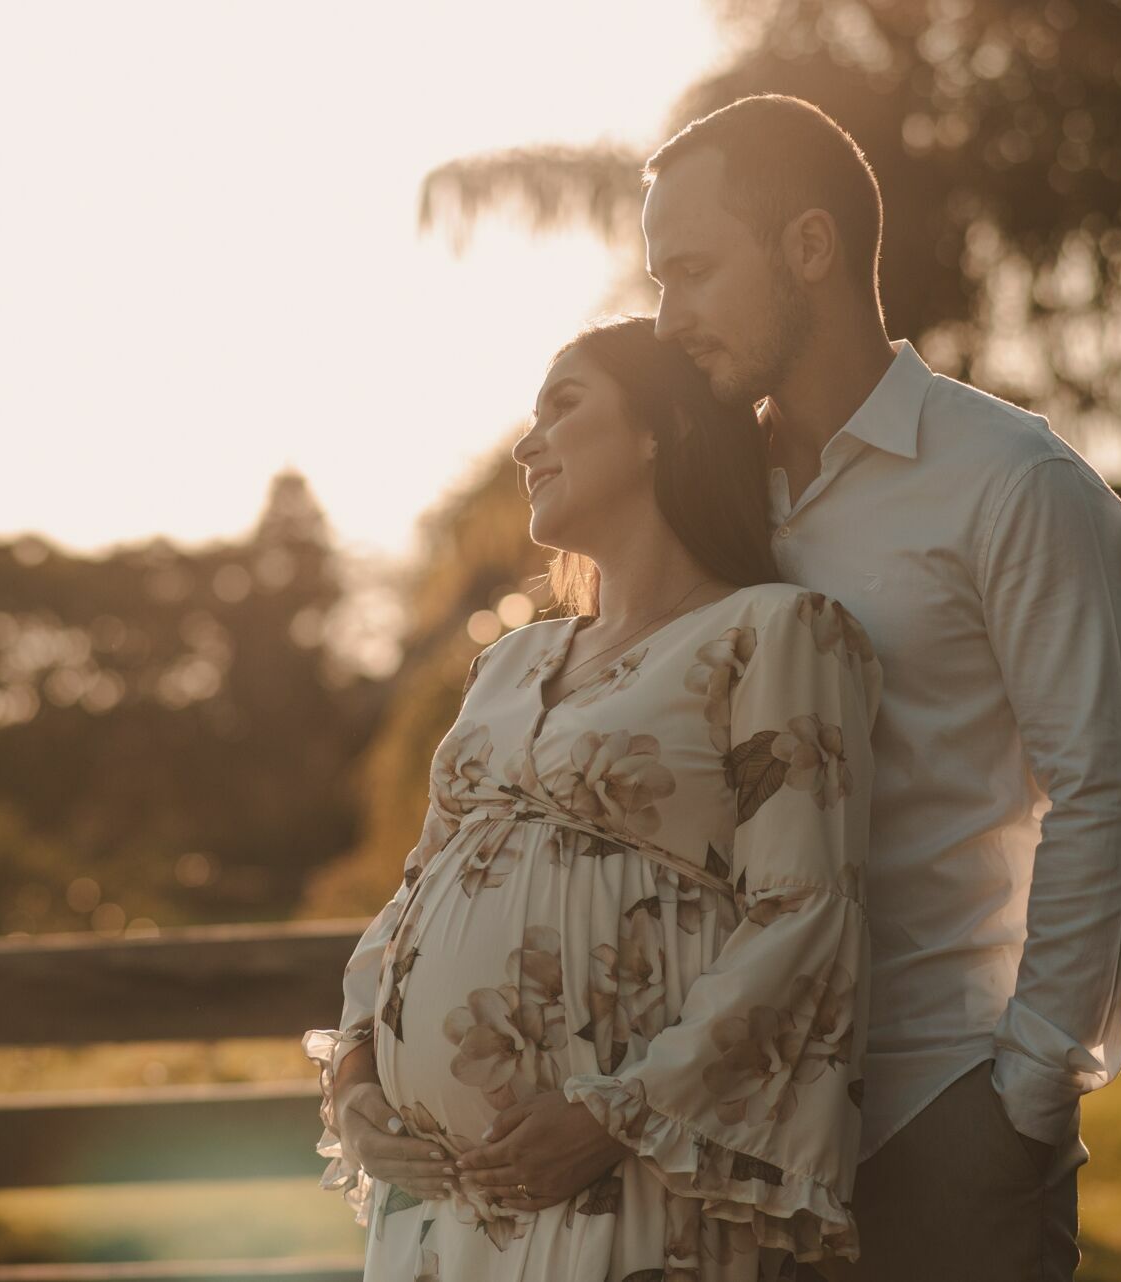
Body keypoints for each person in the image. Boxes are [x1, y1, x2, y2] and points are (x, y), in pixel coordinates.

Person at [640, 94, 1121, 1281]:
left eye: (692, 271)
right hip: (730, 1133)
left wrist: (1024, 1095)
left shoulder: (1014, 484)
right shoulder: (711, 500)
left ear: (809, 248)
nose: (667, 319)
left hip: (938, 1110)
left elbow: (1108, 792)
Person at [303, 314, 883, 1280]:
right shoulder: (509, 661)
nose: (528, 444)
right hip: (442, 1200)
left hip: (631, 1182)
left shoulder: (776, 632)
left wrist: (615, 1115)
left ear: (662, 429)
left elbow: (806, 915)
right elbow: (415, 892)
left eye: (563, 407)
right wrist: (357, 1080)